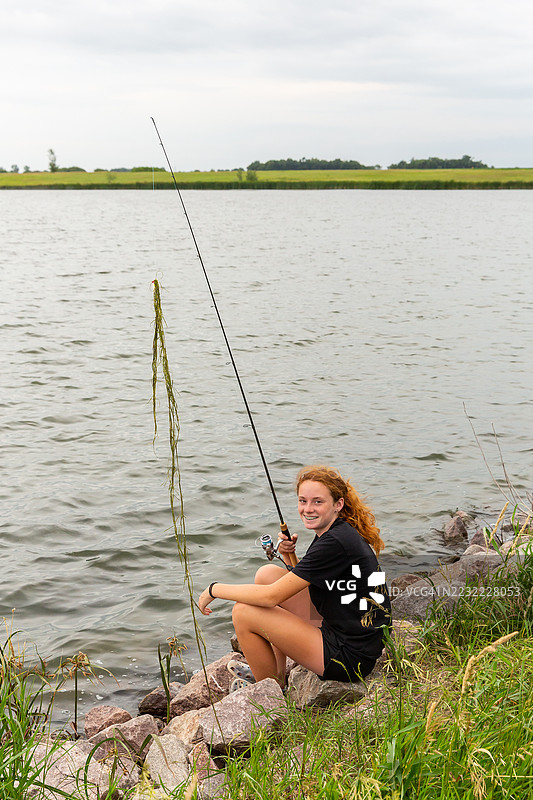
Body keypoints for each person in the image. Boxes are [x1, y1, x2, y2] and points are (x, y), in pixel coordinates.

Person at [198, 465, 391, 687]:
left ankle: (268, 693)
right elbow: (310, 584)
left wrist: (214, 589)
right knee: (268, 573)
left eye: (318, 501)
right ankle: (276, 673)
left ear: (338, 504)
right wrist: (289, 557)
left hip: (349, 657)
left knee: (243, 612)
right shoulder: (335, 531)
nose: (308, 509)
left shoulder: (334, 542)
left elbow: (271, 597)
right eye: (303, 501)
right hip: (348, 630)